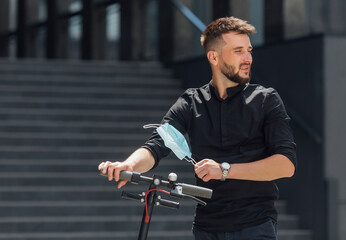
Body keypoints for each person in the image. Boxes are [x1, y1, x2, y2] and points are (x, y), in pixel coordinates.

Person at [98, 17, 296, 240]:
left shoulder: (265, 99)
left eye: (249, 50)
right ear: (213, 56)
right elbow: (158, 144)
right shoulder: (191, 102)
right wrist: (129, 164)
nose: (248, 58)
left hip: (255, 225)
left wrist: (223, 170)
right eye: (238, 51)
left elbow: (286, 165)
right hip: (206, 228)